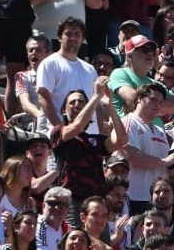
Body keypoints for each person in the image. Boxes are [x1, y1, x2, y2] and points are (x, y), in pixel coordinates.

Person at [52, 83, 128, 226]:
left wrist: (109, 106)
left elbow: (122, 140)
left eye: (81, 102)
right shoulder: (58, 132)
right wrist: (96, 95)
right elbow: (77, 126)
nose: (77, 104)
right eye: (72, 102)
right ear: (63, 110)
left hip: (98, 205)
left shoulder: (95, 140)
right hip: (73, 202)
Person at [36, 17, 99, 135]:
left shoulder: (90, 69)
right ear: (60, 38)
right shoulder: (50, 63)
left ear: (82, 39)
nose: (73, 38)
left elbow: (95, 103)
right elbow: (43, 97)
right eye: (68, 34)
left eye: (77, 34)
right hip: (63, 138)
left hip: (90, 136)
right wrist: (60, 129)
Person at [123, 84, 174, 213]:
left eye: (161, 102)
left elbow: (166, 167)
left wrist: (169, 164)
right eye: (153, 99)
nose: (157, 105)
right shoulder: (130, 121)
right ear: (140, 98)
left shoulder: (159, 130)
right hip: (136, 197)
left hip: (159, 200)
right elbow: (132, 156)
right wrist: (165, 161)